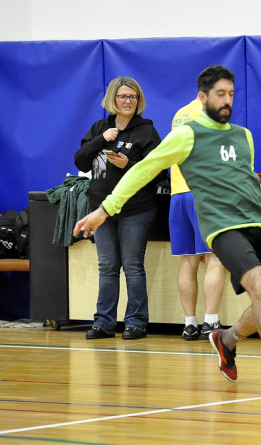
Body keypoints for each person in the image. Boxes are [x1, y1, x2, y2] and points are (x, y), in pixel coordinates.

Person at [74, 65, 261, 398]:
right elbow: (143, 171)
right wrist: (103, 210)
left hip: (258, 223)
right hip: (222, 225)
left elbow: (243, 176)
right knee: (260, 289)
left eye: (231, 94)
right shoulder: (186, 135)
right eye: (220, 94)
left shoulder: (243, 135)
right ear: (203, 97)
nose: (227, 100)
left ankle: (227, 339)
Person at [74, 76, 161, 341]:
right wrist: (101, 139)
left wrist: (129, 165)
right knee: (107, 266)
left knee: (133, 266)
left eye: (133, 97)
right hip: (101, 208)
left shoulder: (146, 131)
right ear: (113, 99)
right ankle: (103, 323)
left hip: (136, 209)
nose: (128, 101)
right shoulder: (99, 128)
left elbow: (159, 173)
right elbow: (81, 161)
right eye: (122, 96)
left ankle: (136, 322)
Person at [169, 98, 226, 341]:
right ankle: (211, 322)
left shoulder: (180, 113)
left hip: (178, 193)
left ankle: (189, 324)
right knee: (215, 257)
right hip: (204, 192)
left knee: (188, 260)